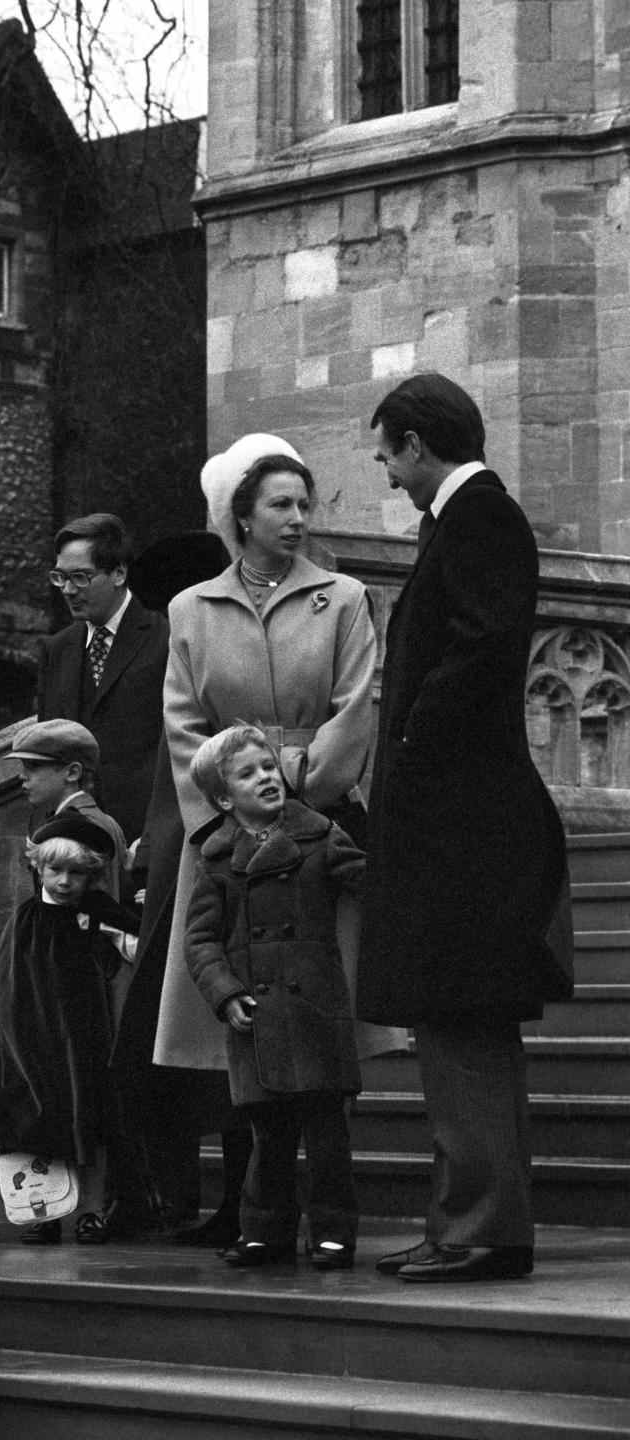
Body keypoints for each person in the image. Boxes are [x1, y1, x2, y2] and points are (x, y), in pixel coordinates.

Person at [359, 372, 573, 1283]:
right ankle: (464, 1220)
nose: (387, 472)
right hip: (457, 821)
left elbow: (480, 651)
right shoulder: (462, 519)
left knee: (465, 1024)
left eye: (388, 454)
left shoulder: (479, 515)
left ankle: (483, 1226)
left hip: (466, 826)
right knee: (451, 1028)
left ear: (416, 443)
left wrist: (406, 742)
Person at [152, 433, 379, 1247]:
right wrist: (225, 818)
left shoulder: (345, 598)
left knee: (323, 1023)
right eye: (279, 505)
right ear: (240, 517)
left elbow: (356, 710)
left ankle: (329, 1215)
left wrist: (291, 803)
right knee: (238, 1020)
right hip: (223, 838)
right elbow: (182, 724)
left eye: (303, 505)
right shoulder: (191, 609)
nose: (296, 519)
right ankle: (257, 1210)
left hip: (315, 832)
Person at [184, 725, 364, 1269]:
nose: (265, 777)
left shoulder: (320, 835)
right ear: (222, 798)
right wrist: (225, 993)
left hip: (314, 1007)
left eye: (268, 766)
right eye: (247, 773)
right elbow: (200, 939)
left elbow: (365, 881)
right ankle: (265, 1229)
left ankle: (333, 1230)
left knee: (327, 1132)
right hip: (257, 1016)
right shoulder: (216, 858)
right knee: (268, 1133)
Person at [0, 812, 141, 1245]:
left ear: (92, 875)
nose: (65, 881)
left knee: (89, 1120)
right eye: (56, 870)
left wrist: (110, 932)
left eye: (77, 873)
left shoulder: (97, 912)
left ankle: (90, 1210)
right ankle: (42, 1210)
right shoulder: (27, 917)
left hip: (85, 1038)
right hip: (33, 1039)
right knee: (34, 1123)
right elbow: (0, 974)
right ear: (38, 868)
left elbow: (127, 952)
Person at [36, 513, 169, 845]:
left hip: (141, 845)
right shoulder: (57, 650)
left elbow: (176, 753)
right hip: (67, 847)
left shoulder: (166, 639)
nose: (67, 590)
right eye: (60, 577)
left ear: (119, 573)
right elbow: (44, 755)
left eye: (80, 577)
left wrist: (156, 840)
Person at [9, 717, 129, 899]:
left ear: (72, 773)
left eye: (33, 766)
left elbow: (101, 907)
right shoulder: (73, 818)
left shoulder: (82, 826)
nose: (22, 776)